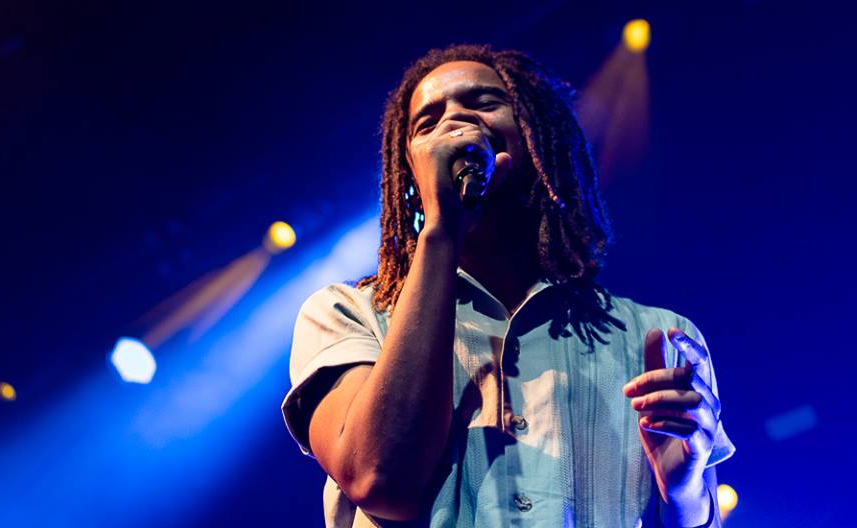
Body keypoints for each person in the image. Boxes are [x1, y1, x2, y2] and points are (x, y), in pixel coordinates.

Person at [281, 44, 735, 527]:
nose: (456, 120)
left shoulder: (657, 335)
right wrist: (441, 231)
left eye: (483, 102)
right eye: (427, 122)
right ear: (409, 170)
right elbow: (378, 478)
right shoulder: (347, 314)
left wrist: (683, 492)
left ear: (539, 137)